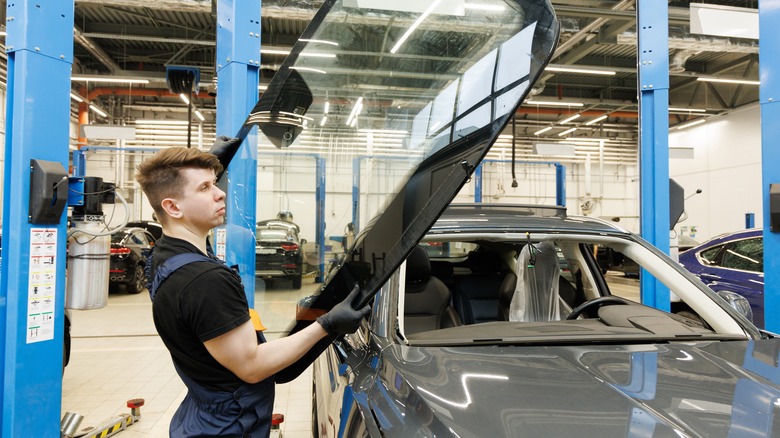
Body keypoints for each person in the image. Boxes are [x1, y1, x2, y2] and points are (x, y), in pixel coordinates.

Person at [135, 146, 370, 437]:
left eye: (215, 183)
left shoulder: (163, 257)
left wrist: (209, 166)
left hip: (201, 414)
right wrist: (328, 324)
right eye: (205, 187)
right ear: (172, 207)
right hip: (230, 426)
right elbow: (252, 366)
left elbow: (186, 230)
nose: (220, 193)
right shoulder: (205, 281)